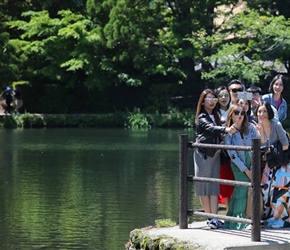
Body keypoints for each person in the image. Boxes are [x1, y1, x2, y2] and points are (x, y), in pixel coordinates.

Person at [194, 89, 236, 229]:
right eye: (209, 99)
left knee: (214, 186)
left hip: (216, 154)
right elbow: (210, 128)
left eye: (214, 99)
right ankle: (209, 218)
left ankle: (216, 218)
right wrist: (226, 129)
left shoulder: (217, 115)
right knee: (203, 185)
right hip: (204, 155)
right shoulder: (201, 117)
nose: (212, 101)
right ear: (203, 101)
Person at [223, 103, 260, 230]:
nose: (240, 115)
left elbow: (259, 143)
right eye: (236, 113)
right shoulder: (228, 132)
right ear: (231, 115)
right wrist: (245, 170)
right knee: (242, 189)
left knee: (246, 190)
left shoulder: (250, 127)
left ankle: (232, 220)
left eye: (242, 113)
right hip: (238, 165)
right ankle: (240, 222)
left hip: (252, 161)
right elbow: (232, 154)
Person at [254, 101, 290, 228]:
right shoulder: (259, 126)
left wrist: (271, 150)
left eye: (264, 111)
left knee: (280, 189)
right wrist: (261, 133)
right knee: (266, 190)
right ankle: (270, 215)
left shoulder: (276, 124)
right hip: (270, 163)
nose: (261, 114)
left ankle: (281, 218)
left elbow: (285, 145)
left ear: (269, 112)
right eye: (259, 111)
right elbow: (263, 145)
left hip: (282, 163)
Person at [215, 86, 234, 210]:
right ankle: (228, 212)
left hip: (236, 149)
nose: (223, 98)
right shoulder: (214, 113)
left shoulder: (234, 110)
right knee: (224, 183)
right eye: (220, 95)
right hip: (222, 153)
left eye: (226, 95)